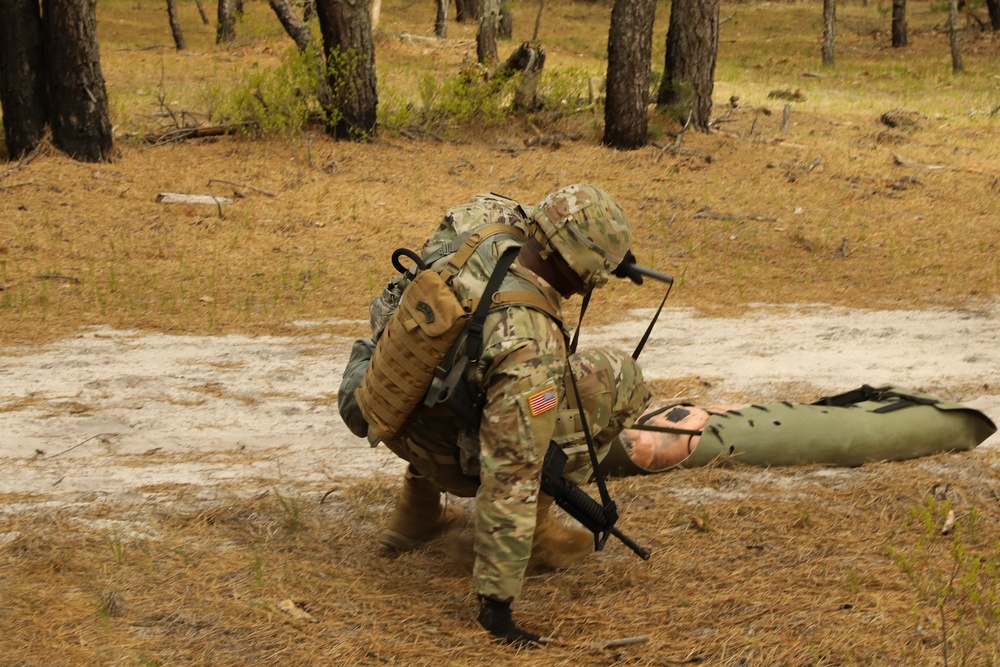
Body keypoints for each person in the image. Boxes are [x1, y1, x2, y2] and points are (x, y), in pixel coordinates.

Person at [339, 184, 652, 647]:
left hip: (389, 403)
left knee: (471, 371)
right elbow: (512, 473)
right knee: (619, 379)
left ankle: (416, 513)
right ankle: (538, 535)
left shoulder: (481, 225)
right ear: (585, 272)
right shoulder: (531, 346)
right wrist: (497, 607)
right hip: (448, 452)